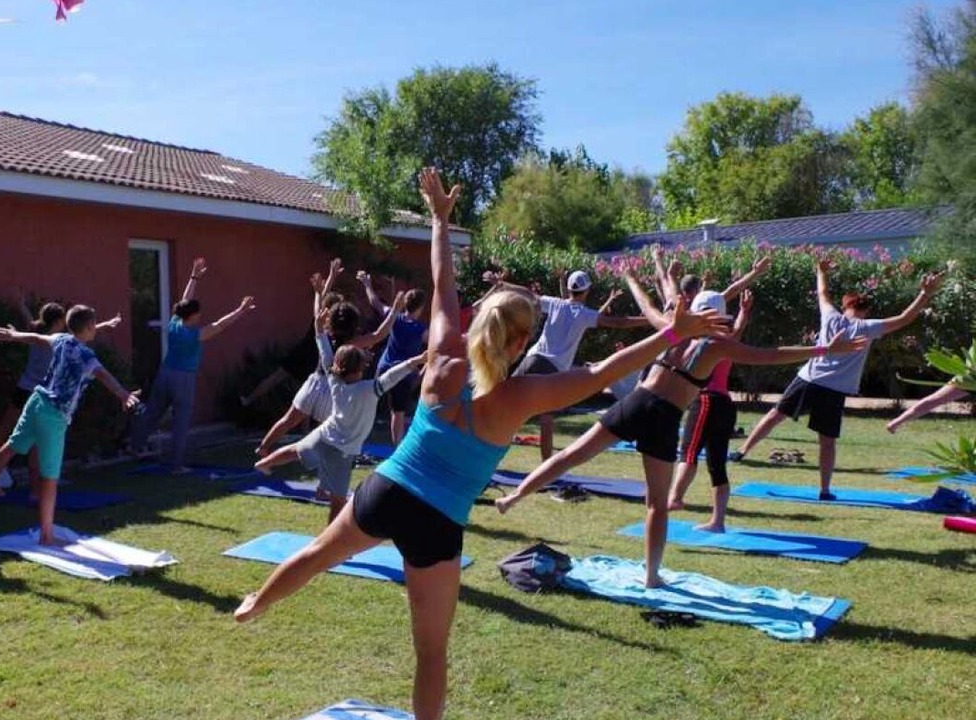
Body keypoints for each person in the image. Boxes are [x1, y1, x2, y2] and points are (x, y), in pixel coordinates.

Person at [233, 168, 727, 720]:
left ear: (480, 324)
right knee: (432, 654)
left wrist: (441, 221)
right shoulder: (523, 395)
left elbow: (442, 282)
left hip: (386, 490)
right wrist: (672, 335)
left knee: (314, 554)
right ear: (521, 342)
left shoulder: (443, 354)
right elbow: (603, 371)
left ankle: (257, 602)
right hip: (437, 524)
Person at [495, 271, 867, 588]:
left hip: (637, 401)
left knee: (570, 456)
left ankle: (512, 499)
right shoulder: (717, 346)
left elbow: (648, 308)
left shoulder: (674, 330)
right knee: (657, 504)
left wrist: (630, 278)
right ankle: (651, 576)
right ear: (719, 317)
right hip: (663, 416)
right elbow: (771, 354)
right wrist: (823, 351)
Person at [731, 260, 945, 497]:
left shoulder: (831, 316)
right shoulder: (868, 327)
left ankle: (741, 451)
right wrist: (925, 293)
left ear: (845, 306)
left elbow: (822, 293)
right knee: (827, 440)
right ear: (865, 310)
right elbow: (905, 318)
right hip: (834, 389)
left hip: (809, 379)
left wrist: (821, 271)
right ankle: (824, 490)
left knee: (775, 415)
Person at [0, 306, 141, 544]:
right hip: (54, 414)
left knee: (13, 444)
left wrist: (14, 336)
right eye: (94, 325)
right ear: (87, 328)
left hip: (36, 400)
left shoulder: (61, 339)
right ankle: (46, 535)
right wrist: (123, 395)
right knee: (50, 477)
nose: (96, 328)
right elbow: (105, 376)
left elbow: (35, 337)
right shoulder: (87, 357)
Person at [256, 308, 426, 522]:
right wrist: (416, 360)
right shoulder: (370, 389)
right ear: (361, 369)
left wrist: (319, 330)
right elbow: (393, 375)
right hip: (342, 450)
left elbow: (326, 354)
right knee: (338, 502)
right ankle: (329, 548)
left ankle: (265, 462)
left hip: (324, 435)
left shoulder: (335, 383)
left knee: (295, 450)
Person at [0, 295, 121, 495]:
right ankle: (37, 492)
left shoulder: (42, 335)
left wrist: (19, 316)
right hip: (44, 397)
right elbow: (78, 340)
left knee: (8, 435)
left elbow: (44, 330)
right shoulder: (59, 343)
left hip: (23, 390)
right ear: (60, 322)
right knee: (35, 448)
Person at [255, 260, 399, 457]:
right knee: (329, 429)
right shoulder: (354, 342)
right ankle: (325, 455)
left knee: (288, 420)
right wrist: (395, 311)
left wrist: (319, 290)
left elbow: (318, 311)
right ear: (354, 322)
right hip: (334, 391)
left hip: (314, 384)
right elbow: (380, 334)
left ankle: (263, 447)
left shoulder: (324, 334)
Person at [503, 271, 649, 459]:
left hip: (531, 358)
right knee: (546, 420)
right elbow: (619, 322)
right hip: (551, 368)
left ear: (570, 290)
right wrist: (648, 319)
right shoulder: (583, 314)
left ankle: (486, 457)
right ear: (587, 291)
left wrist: (503, 284)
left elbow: (528, 294)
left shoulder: (555, 303)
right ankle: (545, 467)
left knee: (508, 408)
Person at [130, 258, 255, 472]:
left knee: (152, 413)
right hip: (183, 379)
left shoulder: (174, 323)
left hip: (165, 374)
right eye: (198, 313)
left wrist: (194, 276)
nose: (201, 315)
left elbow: (185, 299)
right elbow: (221, 325)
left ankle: (134, 448)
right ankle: (177, 465)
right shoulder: (195, 334)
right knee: (181, 421)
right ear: (193, 316)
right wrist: (241, 310)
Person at [666, 290, 754, 531]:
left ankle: (674, 498)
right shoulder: (724, 339)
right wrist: (744, 313)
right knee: (717, 464)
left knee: (689, 452)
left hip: (706, 401)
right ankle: (718, 521)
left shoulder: (700, 341)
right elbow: (736, 332)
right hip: (725, 405)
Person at [239, 272, 336, 408]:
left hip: (303, 351)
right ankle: (305, 428)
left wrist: (332, 276)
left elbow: (321, 296)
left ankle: (249, 399)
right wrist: (332, 276)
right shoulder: (333, 323)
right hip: (312, 356)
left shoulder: (320, 316)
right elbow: (322, 296)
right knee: (305, 392)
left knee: (277, 378)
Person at [358, 270, 428, 446]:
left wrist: (367, 284)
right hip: (403, 373)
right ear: (420, 307)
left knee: (369, 403)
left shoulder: (394, 316)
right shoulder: (421, 329)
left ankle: (357, 436)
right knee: (398, 412)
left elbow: (375, 302)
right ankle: (397, 446)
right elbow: (437, 344)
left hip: (384, 368)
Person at [887, 382, 970, 433]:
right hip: (970, 377)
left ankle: (896, 422)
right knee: (935, 399)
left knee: (935, 399)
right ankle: (896, 422)